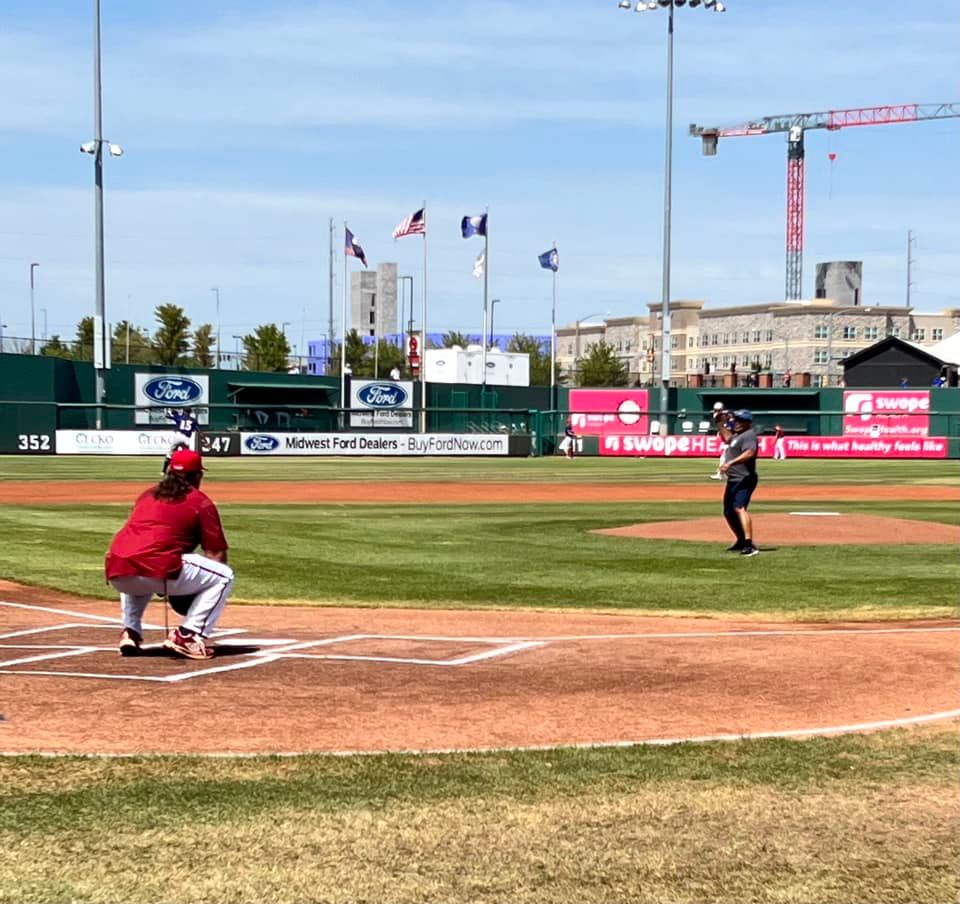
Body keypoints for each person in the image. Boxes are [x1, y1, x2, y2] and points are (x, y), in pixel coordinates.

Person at [104, 448, 234, 660]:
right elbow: (216, 553)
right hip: (159, 568)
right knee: (224, 575)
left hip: (117, 569)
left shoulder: (146, 495)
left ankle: (130, 631)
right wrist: (193, 592)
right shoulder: (200, 501)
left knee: (135, 560)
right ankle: (188, 635)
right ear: (198, 476)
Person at [715, 408, 760, 557]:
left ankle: (749, 544)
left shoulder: (749, 435)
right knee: (728, 512)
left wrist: (731, 463)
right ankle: (740, 540)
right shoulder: (737, 435)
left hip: (745, 478)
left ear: (747, 423)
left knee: (739, 508)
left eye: (740, 420)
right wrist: (720, 422)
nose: (736, 423)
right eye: (736, 420)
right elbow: (727, 438)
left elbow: (749, 453)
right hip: (733, 479)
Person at [162, 407, 199, 474]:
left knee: (170, 454)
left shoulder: (180, 417)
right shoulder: (193, 420)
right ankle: (187, 470)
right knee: (187, 455)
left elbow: (168, 416)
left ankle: (163, 471)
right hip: (186, 439)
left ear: (184, 411)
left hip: (178, 436)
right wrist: (205, 441)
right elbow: (198, 431)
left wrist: (171, 413)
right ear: (190, 412)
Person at [709, 402, 730, 480]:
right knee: (725, 458)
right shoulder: (722, 416)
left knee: (724, 458)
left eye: (718, 410)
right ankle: (723, 474)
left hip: (731, 442)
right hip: (728, 441)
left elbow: (725, 427)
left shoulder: (724, 416)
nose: (716, 411)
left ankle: (720, 474)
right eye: (715, 410)